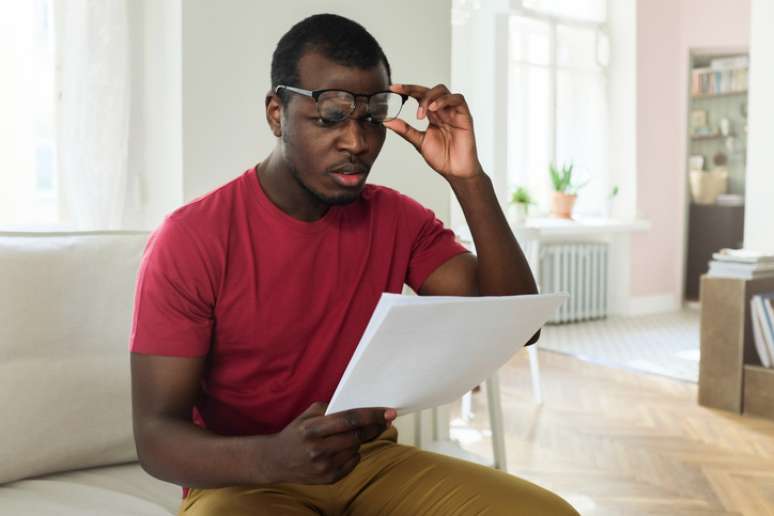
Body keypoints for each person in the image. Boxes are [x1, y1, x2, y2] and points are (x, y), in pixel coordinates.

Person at [129, 13, 579, 516]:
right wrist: (274, 458)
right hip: (245, 480)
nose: (357, 142)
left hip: (367, 465)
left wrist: (468, 178)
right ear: (277, 114)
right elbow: (155, 437)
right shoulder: (191, 239)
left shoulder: (398, 219)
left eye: (371, 116)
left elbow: (516, 326)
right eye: (331, 115)